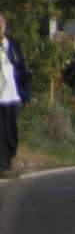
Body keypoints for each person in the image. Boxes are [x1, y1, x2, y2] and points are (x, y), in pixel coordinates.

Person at [0, 12, 32, 173]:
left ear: (4, 25)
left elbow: (23, 70)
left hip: (12, 96)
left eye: (0, 23)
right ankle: (3, 164)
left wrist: (26, 94)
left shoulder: (13, 46)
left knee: (11, 132)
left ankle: (9, 158)